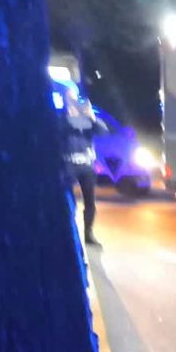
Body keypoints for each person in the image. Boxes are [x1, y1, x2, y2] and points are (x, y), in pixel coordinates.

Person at [58, 85, 107, 247]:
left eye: (74, 97)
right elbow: (57, 132)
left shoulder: (86, 118)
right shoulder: (62, 117)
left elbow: (103, 131)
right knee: (67, 201)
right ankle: (67, 234)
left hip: (87, 166)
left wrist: (91, 117)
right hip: (69, 166)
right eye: (69, 97)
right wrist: (67, 118)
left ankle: (88, 234)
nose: (73, 100)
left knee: (90, 202)